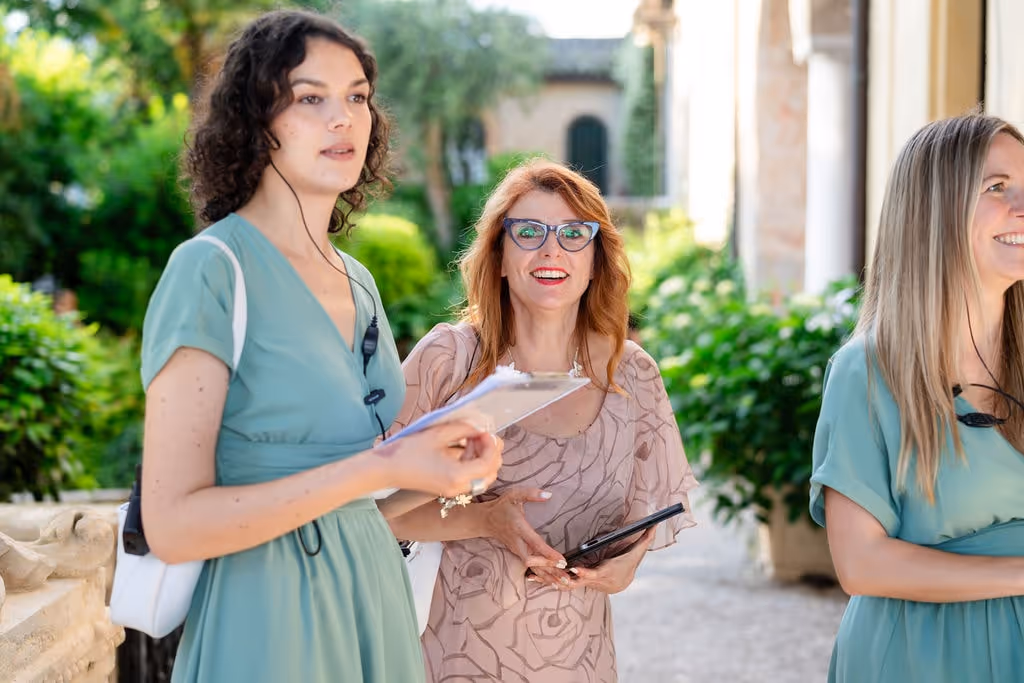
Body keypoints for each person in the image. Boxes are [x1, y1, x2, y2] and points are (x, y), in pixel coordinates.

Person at [138, 10, 502, 682]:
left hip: (374, 598)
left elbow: (360, 483)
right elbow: (173, 524)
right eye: (311, 98)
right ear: (257, 121)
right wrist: (380, 464)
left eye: (357, 96)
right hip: (268, 618)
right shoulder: (212, 269)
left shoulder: (357, 279)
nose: (345, 119)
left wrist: (442, 465)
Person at [388, 159, 698, 682]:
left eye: (575, 233)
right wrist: (484, 519)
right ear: (500, 257)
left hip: (581, 662)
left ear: (597, 260)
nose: (552, 250)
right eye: (529, 232)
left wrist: (625, 566)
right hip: (451, 657)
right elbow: (371, 513)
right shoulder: (449, 359)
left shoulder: (633, 376)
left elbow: (646, 519)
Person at [810, 112, 1024, 682]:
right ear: (934, 211)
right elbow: (861, 564)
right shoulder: (866, 371)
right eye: (997, 188)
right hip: (921, 656)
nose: (1022, 206)